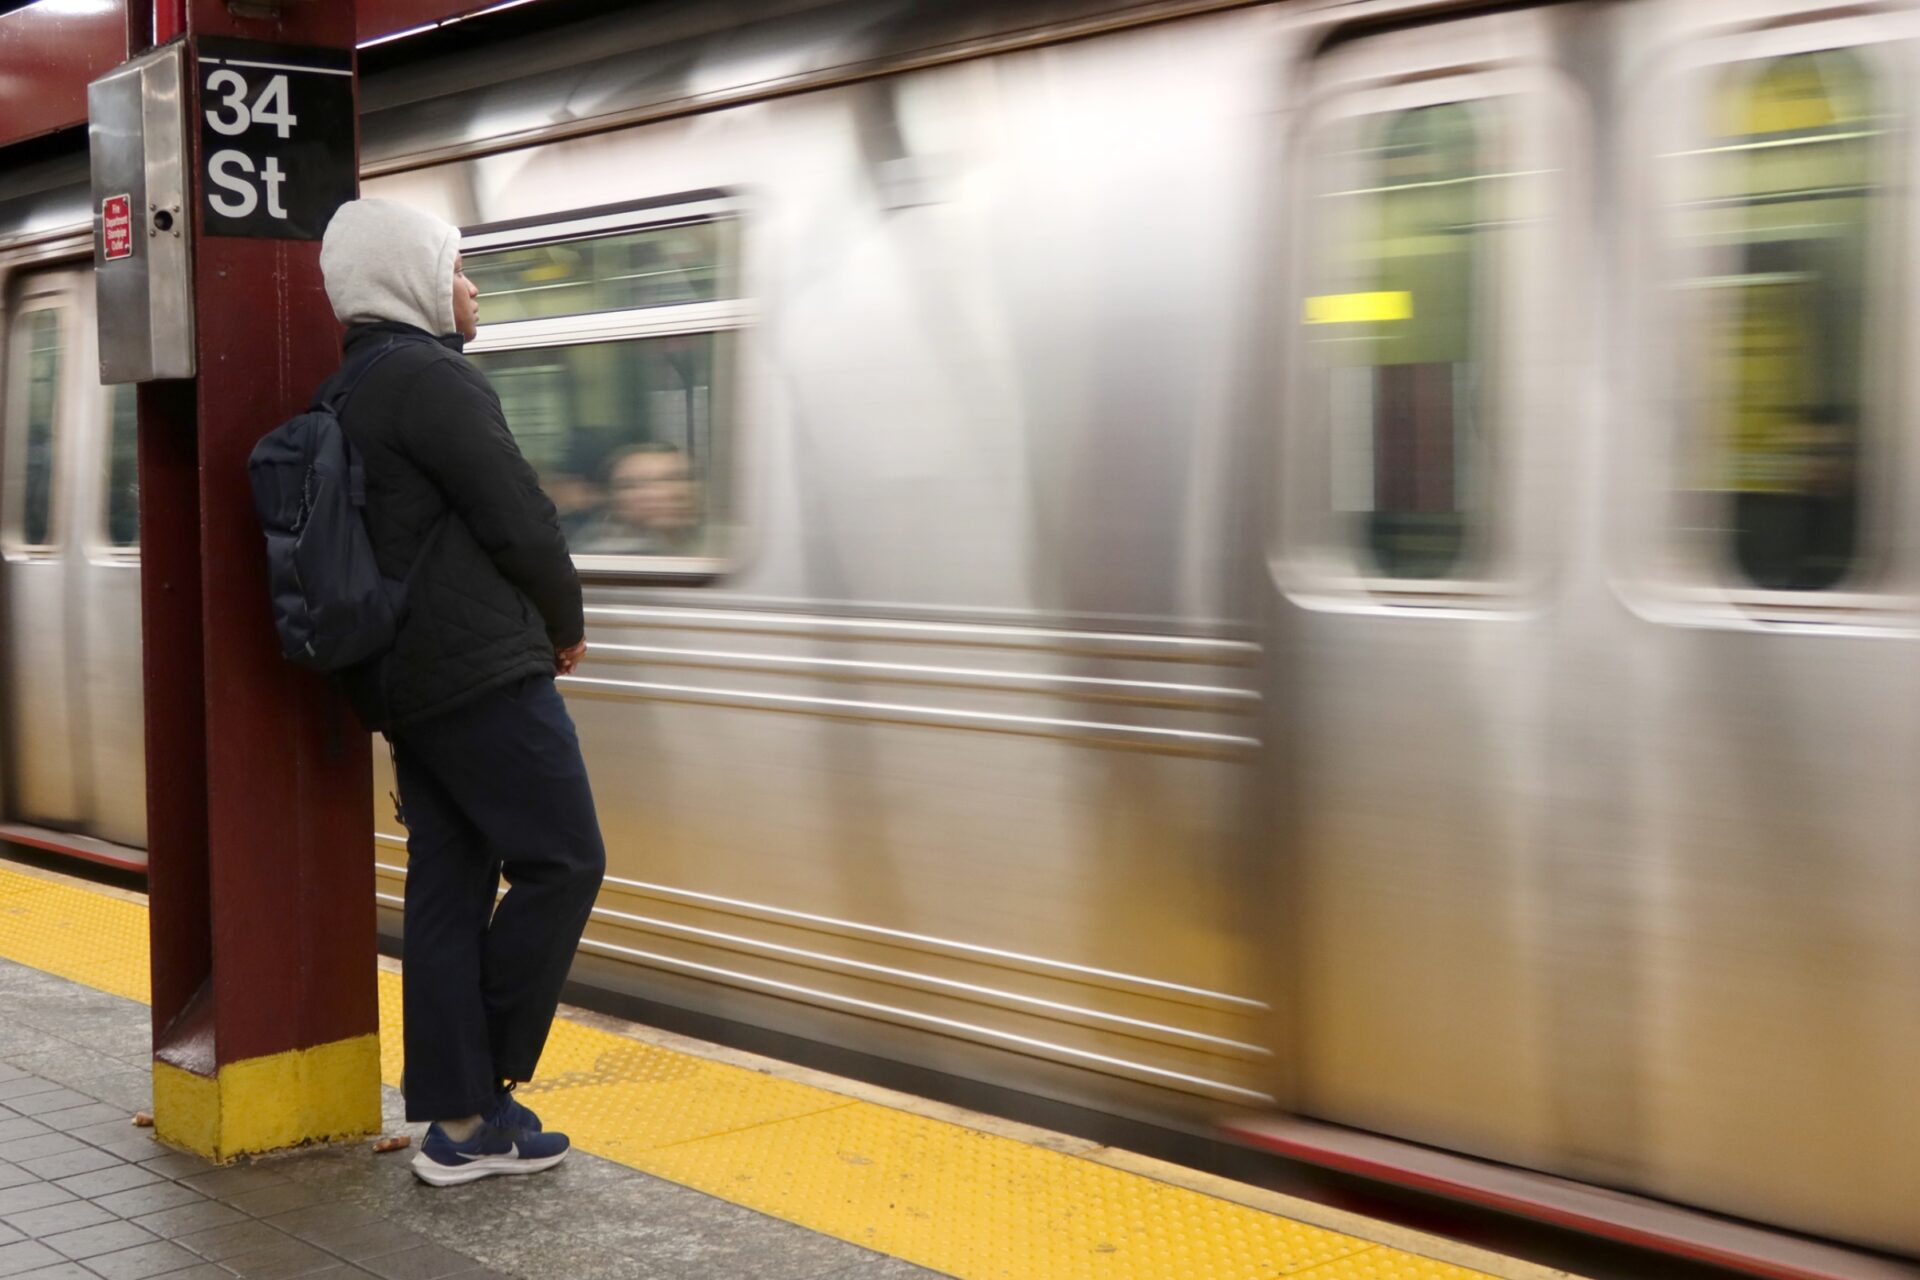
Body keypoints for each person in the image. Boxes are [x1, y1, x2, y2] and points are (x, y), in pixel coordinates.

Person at [317, 198, 606, 1186]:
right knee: (565, 859)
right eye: (454, 267)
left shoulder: (353, 384)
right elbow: (518, 512)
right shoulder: (431, 378)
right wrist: (563, 620)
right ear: (409, 280)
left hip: (407, 680)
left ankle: (459, 1122)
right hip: (478, 671)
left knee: (450, 882)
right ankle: (485, 1085)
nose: (472, 288)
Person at [572, 442, 704, 555]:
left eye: (678, 478)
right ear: (611, 499)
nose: (663, 492)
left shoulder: (712, 547)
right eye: (632, 485)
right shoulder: (597, 560)